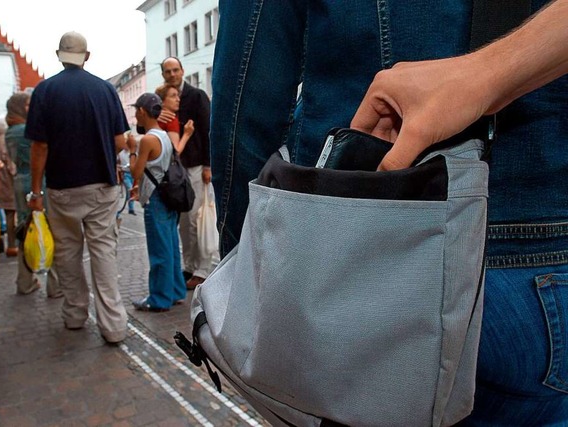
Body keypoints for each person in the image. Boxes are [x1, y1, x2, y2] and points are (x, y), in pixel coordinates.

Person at [209, 0, 568, 425]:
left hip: (370, 269)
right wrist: (494, 71)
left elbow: (247, 97)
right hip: (550, 268)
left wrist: (246, 273)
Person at [25, 31, 129, 344]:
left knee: (68, 254)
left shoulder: (44, 90)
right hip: (101, 186)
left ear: (59, 55)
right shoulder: (105, 89)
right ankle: (113, 325)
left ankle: (75, 314)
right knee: (103, 252)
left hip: (61, 188)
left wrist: (35, 192)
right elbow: (120, 141)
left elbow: (39, 147)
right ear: (87, 56)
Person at [160, 57, 216, 290]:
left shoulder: (197, 95)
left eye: (175, 70)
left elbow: (207, 131)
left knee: (197, 218)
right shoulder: (162, 97)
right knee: (184, 221)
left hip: (195, 165)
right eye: (168, 71)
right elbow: (146, 124)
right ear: (163, 74)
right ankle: (189, 265)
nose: (172, 74)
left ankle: (204, 269)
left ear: (182, 71)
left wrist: (207, 165)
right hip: (176, 168)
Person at [128, 93, 187, 312]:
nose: (135, 116)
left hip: (155, 198)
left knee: (159, 251)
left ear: (142, 112)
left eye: (136, 111)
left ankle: (159, 298)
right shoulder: (164, 136)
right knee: (171, 246)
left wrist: (132, 149)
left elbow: (136, 171)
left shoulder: (147, 140)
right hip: (169, 196)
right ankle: (176, 291)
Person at [5, 91, 62, 298]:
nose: (32, 107)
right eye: (28, 105)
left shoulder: (11, 130)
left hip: (20, 182)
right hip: (37, 183)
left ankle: (25, 281)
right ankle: (55, 286)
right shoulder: (24, 130)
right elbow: (45, 146)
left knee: (26, 230)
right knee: (48, 229)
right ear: (19, 107)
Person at [0, 116, 18, 257]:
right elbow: (11, 165)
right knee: (11, 214)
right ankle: (12, 245)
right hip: (8, 183)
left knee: (1, 213)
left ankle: (0, 241)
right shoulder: (6, 141)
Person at [154, 83, 194, 154]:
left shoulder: (153, 119)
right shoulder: (171, 120)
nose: (178, 99)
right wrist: (187, 134)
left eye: (178, 96)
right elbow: (176, 152)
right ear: (161, 101)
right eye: (173, 96)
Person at [117, 143, 136, 216]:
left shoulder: (133, 152)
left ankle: (131, 208)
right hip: (125, 173)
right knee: (130, 188)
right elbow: (117, 161)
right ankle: (128, 207)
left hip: (132, 174)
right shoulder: (121, 153)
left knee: (132, 190)